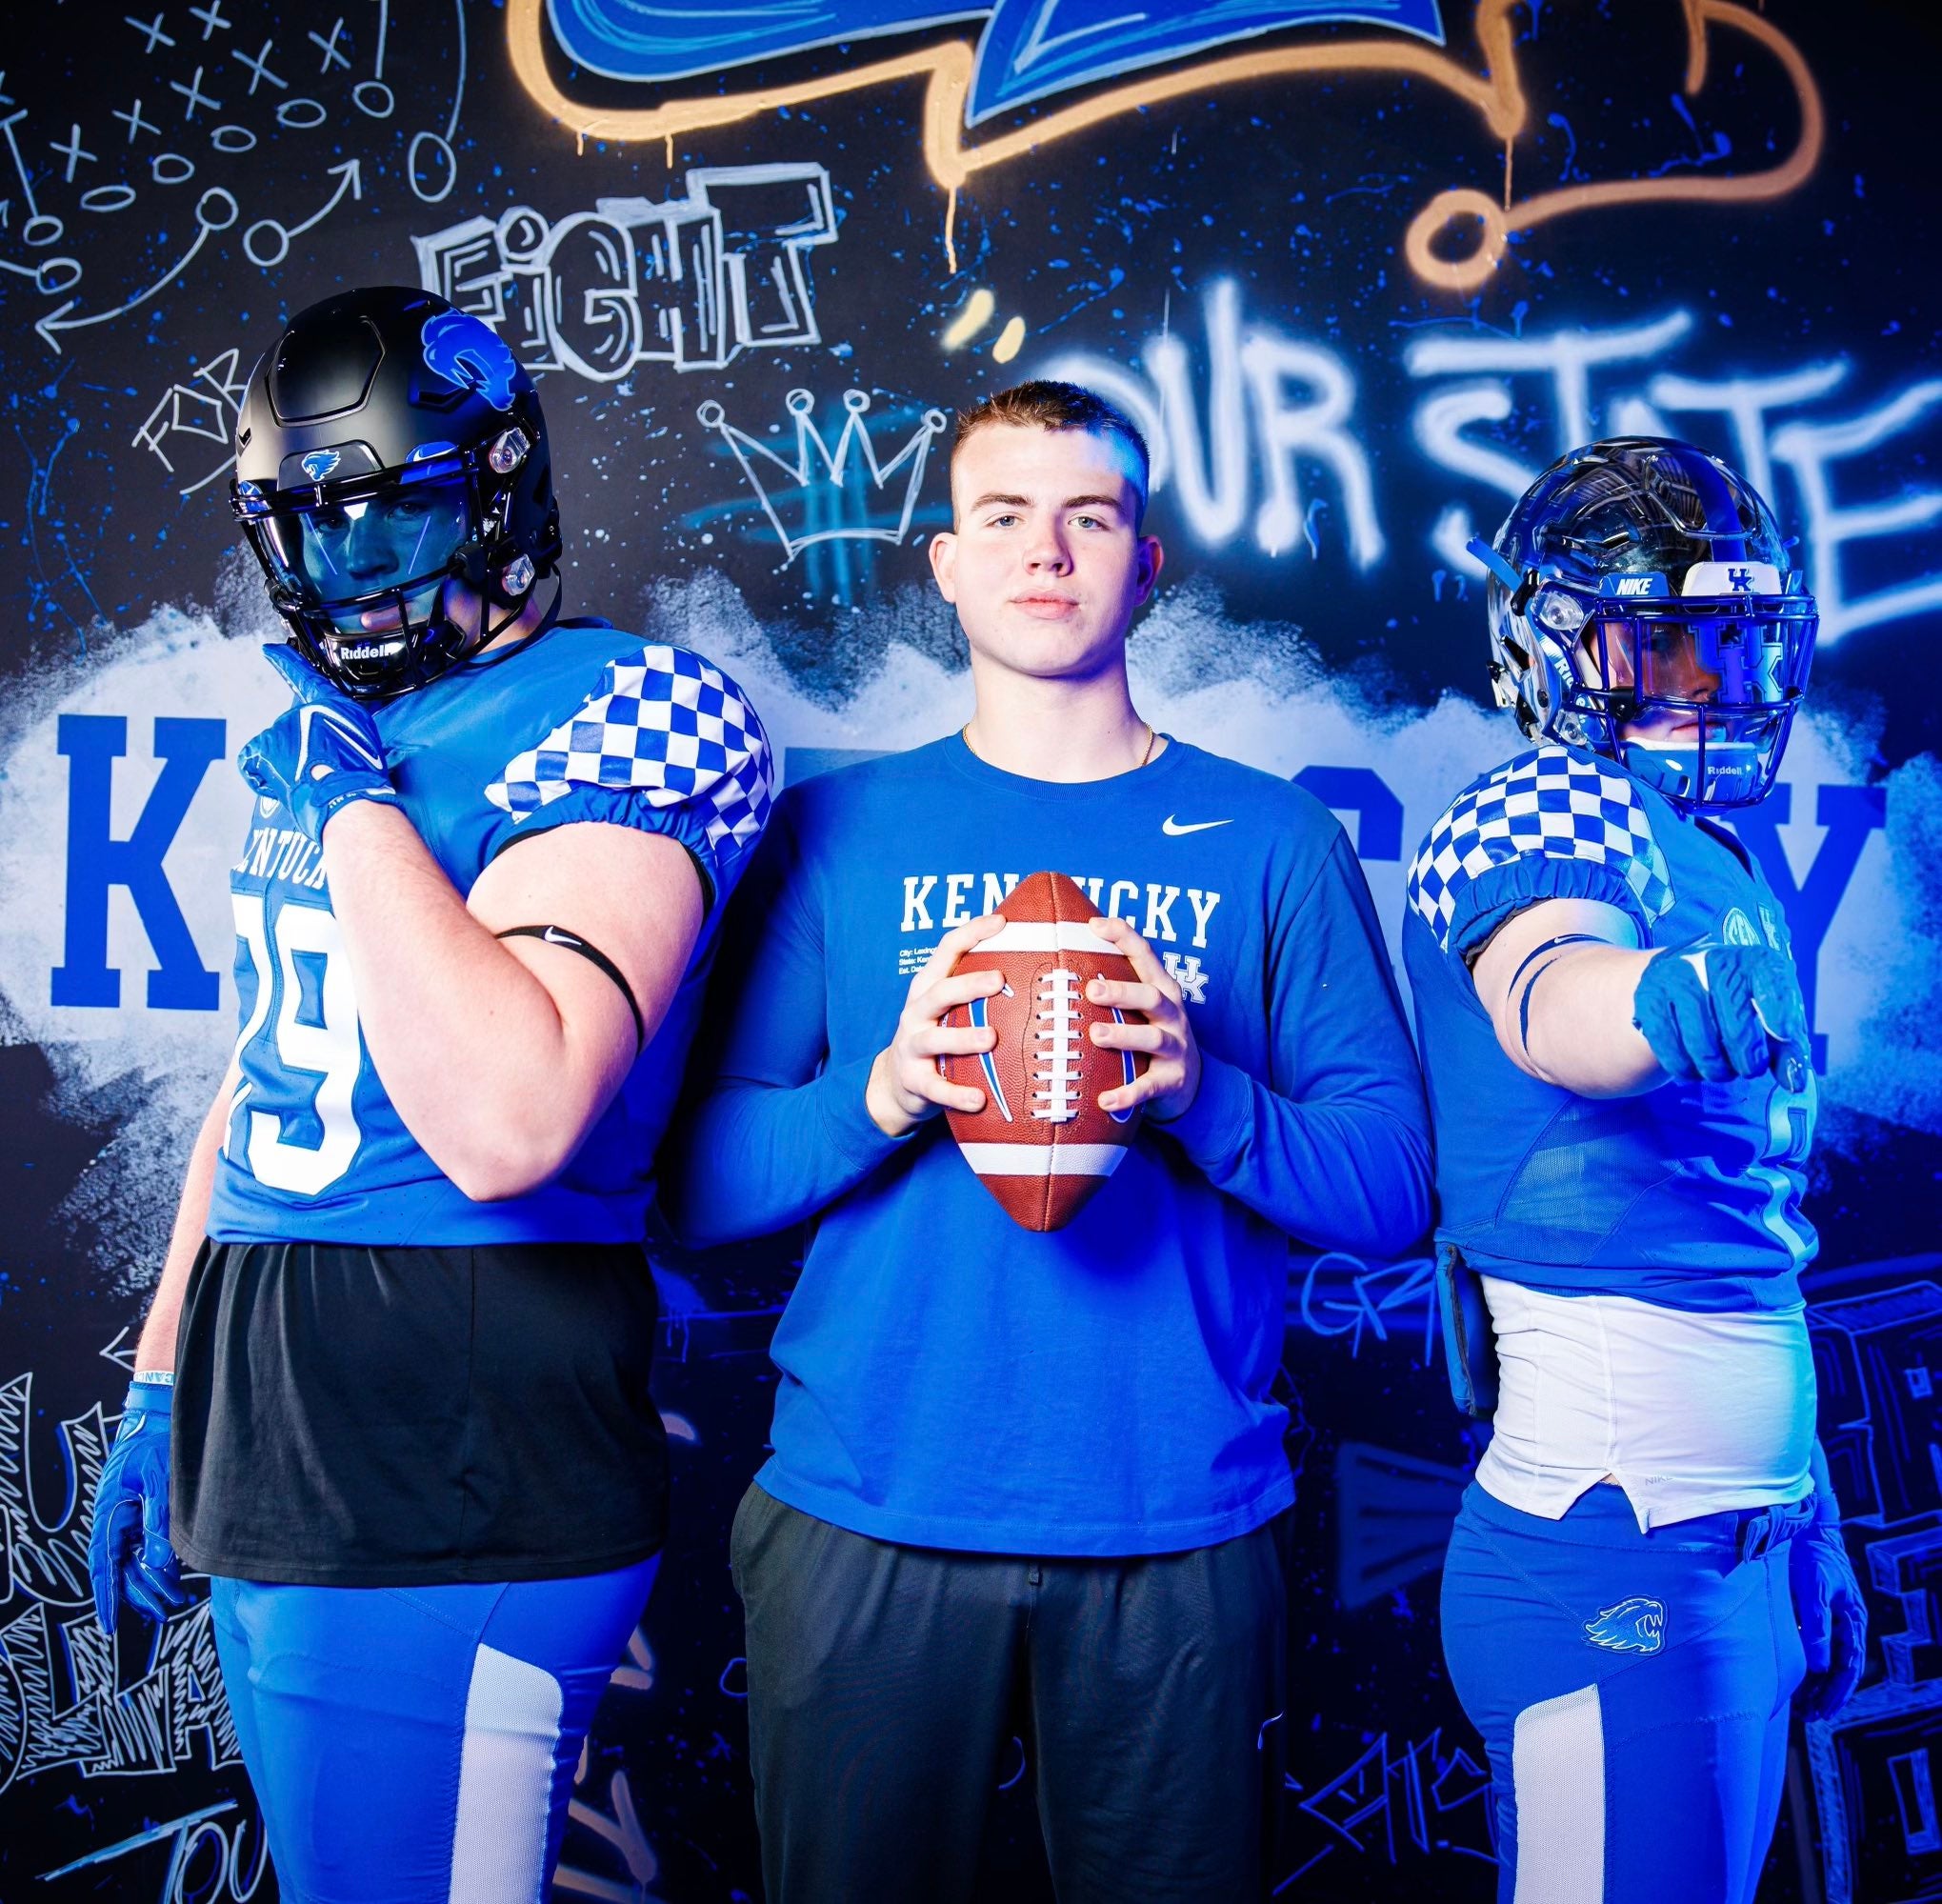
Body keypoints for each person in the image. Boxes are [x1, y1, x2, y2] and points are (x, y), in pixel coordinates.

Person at [659, 379, 1431, 1902]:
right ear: (946, 563)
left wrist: (1198, 1093)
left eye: (1091, 519)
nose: (1047, 554)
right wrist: (881, 1092)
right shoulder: (839, 832)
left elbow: (1396, 1187)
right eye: (1004, 518)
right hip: (867, 1506)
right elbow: (698, 1184)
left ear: (1146, 566)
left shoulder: (1273, 839)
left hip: (1178, 1518)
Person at [87, 286, 771, 1903]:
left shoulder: (631, 709)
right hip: (282, 1434)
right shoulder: (360, 728)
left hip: (453, 1442)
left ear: (503, 486)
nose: (361, 577)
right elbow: (264, 1084)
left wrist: (349, 807)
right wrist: (165, 1385)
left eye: (399, 521)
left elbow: (513, 1117)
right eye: (319, 535)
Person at [1404, 438, 1870, 1902]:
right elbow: (1554, 990)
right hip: (1613, 1559)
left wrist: (1804, 1516)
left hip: (1716, 1540)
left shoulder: (1711, 844)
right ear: (1558, 647)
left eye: (1730, 641)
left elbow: (1745, 1253)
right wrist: (1648, 1000)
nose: (1705, 683)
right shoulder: (1540, 804)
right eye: (1658, 639)